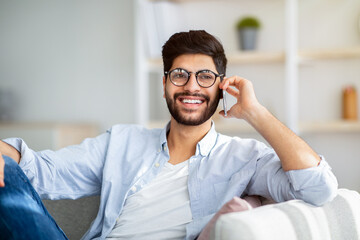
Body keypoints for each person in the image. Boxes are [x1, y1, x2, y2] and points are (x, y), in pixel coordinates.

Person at [0, 30, 338, 240]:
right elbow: (42, 172)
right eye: (179, 75)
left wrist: (256, 112)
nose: (191, 86)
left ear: (221, 88)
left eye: (205, 76)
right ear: (164, 86)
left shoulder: (245, 158)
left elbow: (318, 187)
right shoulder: (122, 142)